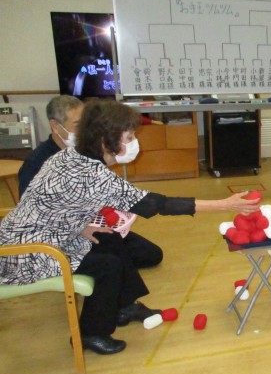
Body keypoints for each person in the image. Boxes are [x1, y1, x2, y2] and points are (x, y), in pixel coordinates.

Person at [0, 100, 260, 355]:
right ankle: (91, 334)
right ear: (106, 140)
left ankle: (124, 306)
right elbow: (157, 204)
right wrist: (224, 204)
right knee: (108, 266)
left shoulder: (69, 156)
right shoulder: (93, 175)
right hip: (27, 254)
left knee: (109, 238)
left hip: (43, 236)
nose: (134, 141)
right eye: (129, 136)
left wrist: (80, 227)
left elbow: (50, 205)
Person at [18, 95, 163, 270]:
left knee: (150, 254)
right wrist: (80, 228)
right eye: (78, 125)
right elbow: (36, 215)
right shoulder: (38, 162)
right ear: (56, 126)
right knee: (112, 259)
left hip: (95, 223)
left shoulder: (87, 151)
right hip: (62, 236)